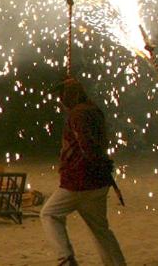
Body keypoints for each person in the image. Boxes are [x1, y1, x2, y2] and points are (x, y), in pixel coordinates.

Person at [40, 77, 127, 266]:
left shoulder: (78, 115)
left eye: (63, 96)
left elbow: (87, 146)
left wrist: (94, 165)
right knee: (101, 230)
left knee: (49, 214)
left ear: (71, 96)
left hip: (80, 180)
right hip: (98, 181)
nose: (61, 101)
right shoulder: (94, 110)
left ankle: (66, 258)